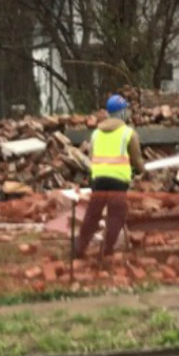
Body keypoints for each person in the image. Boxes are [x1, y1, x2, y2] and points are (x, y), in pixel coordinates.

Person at [75, 94, 144, 258]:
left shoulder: (96, 134)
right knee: (116, 215)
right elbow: (137, 160)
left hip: (98, 181)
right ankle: (106, 251)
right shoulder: (128, 133)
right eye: (126, 110)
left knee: (92, 216)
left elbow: (92, 157)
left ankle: (78, 250)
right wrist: (140, 170)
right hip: (118, 183)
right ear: (122, 113)